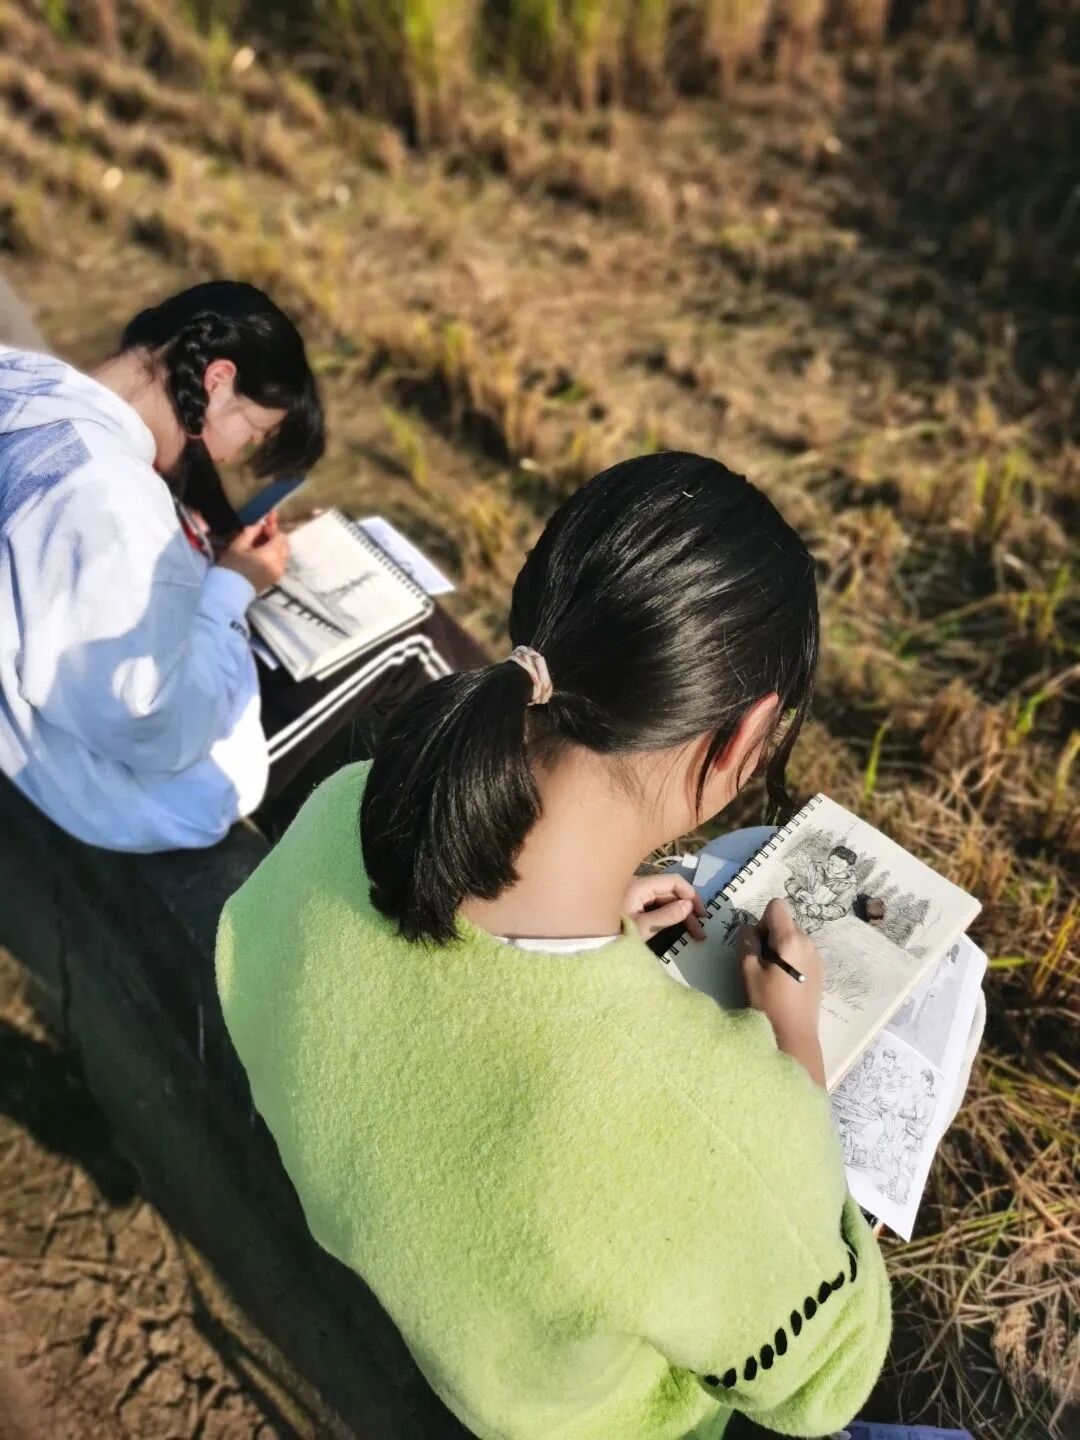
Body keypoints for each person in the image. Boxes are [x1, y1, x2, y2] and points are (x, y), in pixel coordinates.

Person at [217, 453, 891, 1440]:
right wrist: (796, 1057)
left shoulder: (343, 810)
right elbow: (828, 1384)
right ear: (745, 735)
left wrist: (599, 910)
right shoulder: (700, 1126)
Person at [0, 281, 324, 851]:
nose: (230, 456)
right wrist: (230, 589)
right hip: (71, 779)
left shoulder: (18, 381)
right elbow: (150, 722)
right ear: (217, 380)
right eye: (252, 433)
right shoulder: (117, 505)